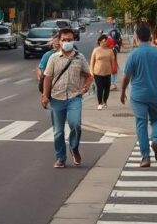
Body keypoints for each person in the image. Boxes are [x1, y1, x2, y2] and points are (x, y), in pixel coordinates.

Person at [120, 23, 157, 168]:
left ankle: (145, 157)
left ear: (136, 37)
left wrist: (123, 91)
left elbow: (126, 76)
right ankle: (155, 139)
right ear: (150, 37)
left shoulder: (133, 55)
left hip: (138, 95)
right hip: (155, 93)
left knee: (141, 125)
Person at [40, 28, 92, 168]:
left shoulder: (79, 57)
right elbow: (47, 78)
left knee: (75, 124)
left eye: (69, 40)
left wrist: (86, 86)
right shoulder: (53, 58)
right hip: (56, 98)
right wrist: (45, 95)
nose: (67, 42)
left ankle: (74, 147)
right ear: (59, 41)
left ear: (73, 40)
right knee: (58, 131)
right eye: (64, 40)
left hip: (74, 97)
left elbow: (89, 75)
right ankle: (61, 157)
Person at [89, 35, 115, 110]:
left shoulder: (110, 51)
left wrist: (113, 70)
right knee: (100, 88)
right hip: (97, 73)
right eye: (104, 41)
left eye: (106, 41)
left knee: (107, 88)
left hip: (107, 73)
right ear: (100, 42)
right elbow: (92, 62)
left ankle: (105, 101)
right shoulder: (96, 50)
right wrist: (91, 72)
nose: (105, 42)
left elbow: (112, 61)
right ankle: (100, 103)